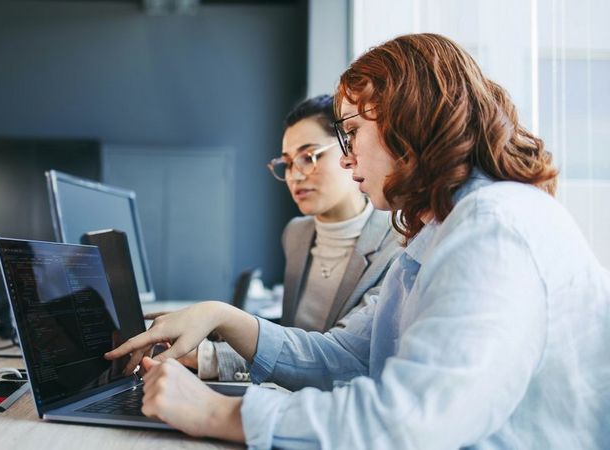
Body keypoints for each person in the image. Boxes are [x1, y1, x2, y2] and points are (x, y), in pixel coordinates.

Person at [106, 33, 610, 448]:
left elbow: (412, 422)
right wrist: (224, 316)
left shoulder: (493, 229)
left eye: (349, 133)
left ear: (409, 122)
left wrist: (220, 413)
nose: (347, 160)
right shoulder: (442, 228)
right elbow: (345, 357)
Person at [181, 95, 401, 382]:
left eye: (309, 156)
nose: (296, 175)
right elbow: (288, 345)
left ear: (349, 147)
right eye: (287, 163)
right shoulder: (297, 234)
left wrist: (207, 354)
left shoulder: (398, 244)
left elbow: (333, 356)